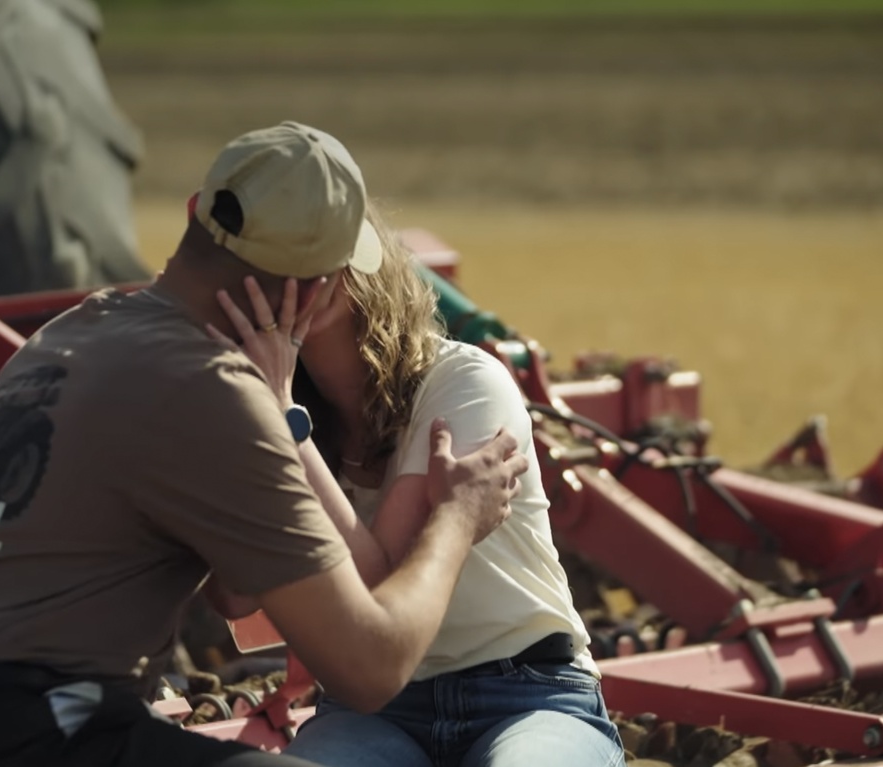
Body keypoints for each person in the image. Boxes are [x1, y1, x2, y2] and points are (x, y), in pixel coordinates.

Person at [0, 121, 532, 767]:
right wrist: (456, 518)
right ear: (318, 289)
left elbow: (234, 593)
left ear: (196, 211)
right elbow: (370, 666)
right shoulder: (213, 387)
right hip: (37, 726)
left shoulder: (68, 335)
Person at [205, 205, 625, 766]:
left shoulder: (464, 381)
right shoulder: (274, 416)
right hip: (371, 708)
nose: (305, 281)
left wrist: (283, 415)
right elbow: (235, 597)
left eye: (324, 259)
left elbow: (380, 586)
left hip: (527, 693)